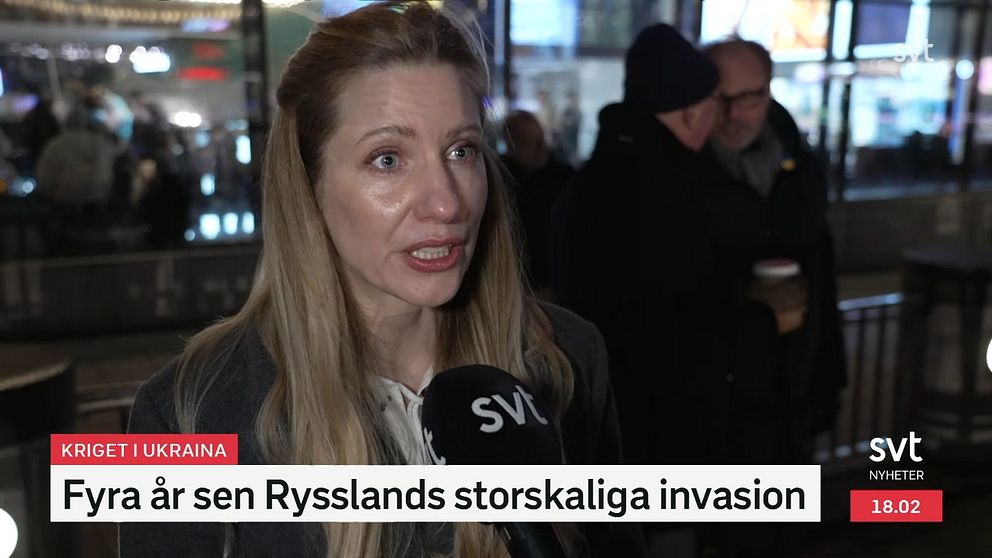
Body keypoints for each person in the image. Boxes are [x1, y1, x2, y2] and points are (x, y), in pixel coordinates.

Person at [120, 3, 643, 557]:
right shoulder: (184, 415)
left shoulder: (567, 359)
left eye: (461, 150)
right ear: (308, 185)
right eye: (388, 159)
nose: (446, 204)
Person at [553, 24, 790, 557]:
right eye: (713, 106)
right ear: (688, 114)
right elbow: (674, 334)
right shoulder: (666, 194)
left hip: (598, 438)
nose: (721, 119)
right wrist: (762, 316)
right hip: (661, 444)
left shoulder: (591, 181)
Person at [704, 38, 846, 460]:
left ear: (767, 92)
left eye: (747, 97)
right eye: (721, 98)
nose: (734, 114)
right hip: (719, 404)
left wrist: (828, 380)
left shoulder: (802, 169)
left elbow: (824, 280)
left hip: (793, 392)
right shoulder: (681, 176)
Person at [501, 110, 575, 296]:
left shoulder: (563, 177)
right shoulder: (500, 176)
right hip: (514, 278)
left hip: (550, 279)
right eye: (521, 138)